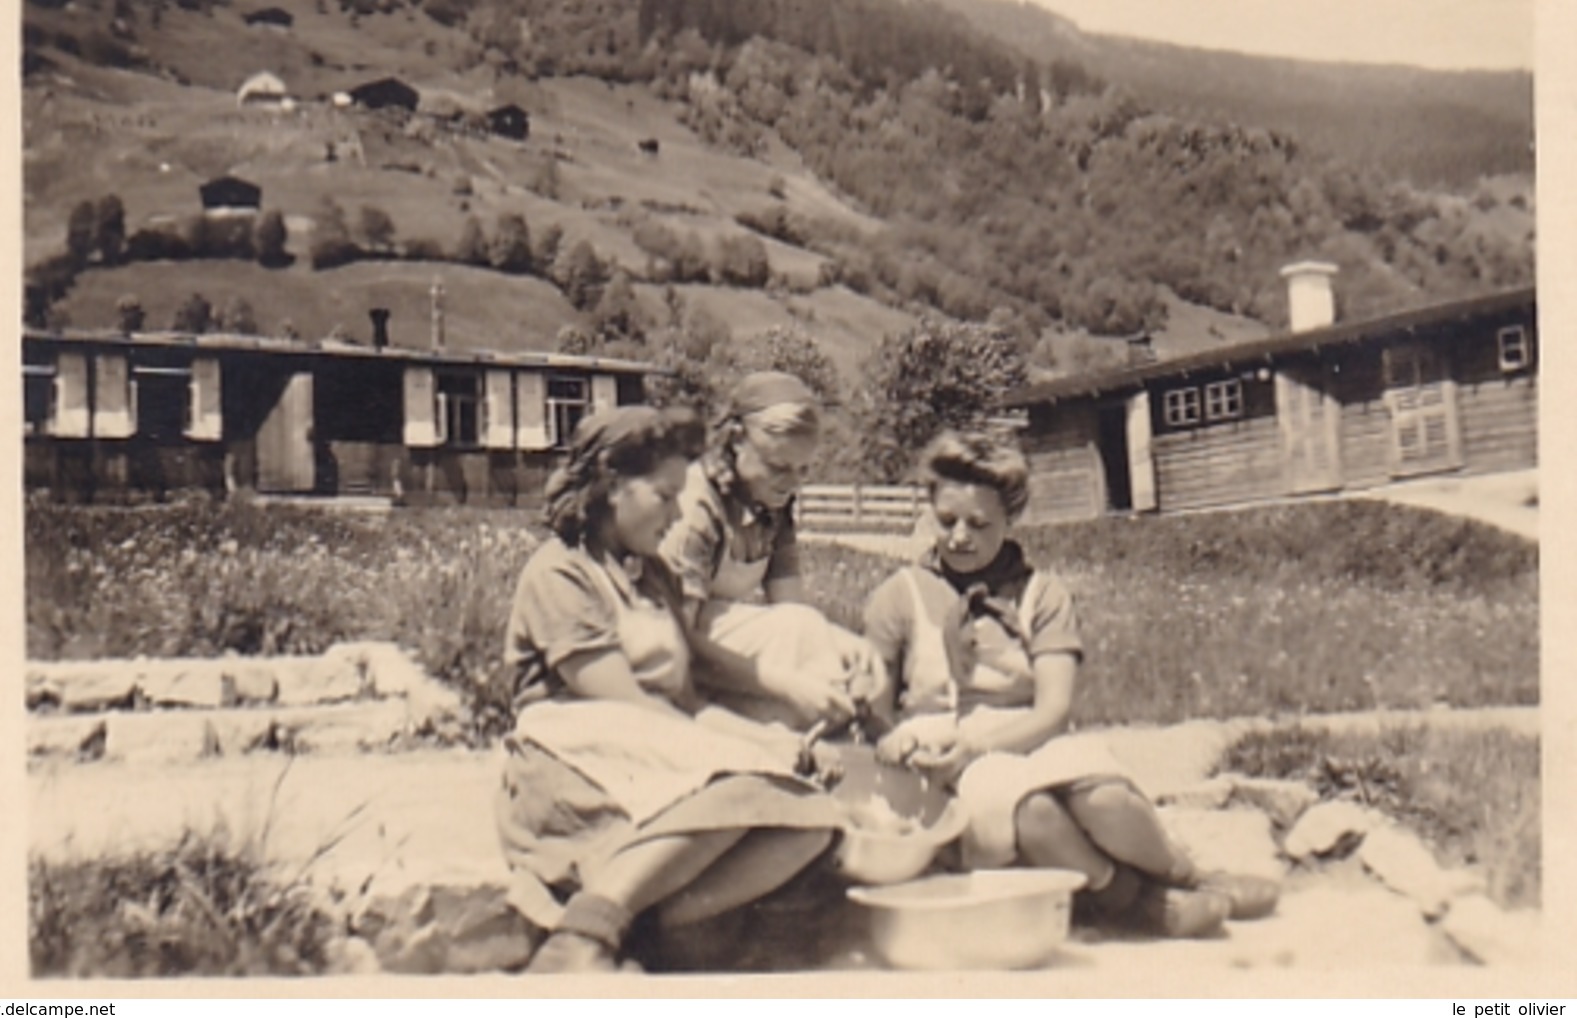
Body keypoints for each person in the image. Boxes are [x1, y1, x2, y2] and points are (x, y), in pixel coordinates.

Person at [861, 429, 1280, 939]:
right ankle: (1131, 901)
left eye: (979, 523)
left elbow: (1052, 708)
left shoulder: (1042, 593)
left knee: (1106, 799)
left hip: (1027, 735)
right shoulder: (899, 595)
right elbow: (875, 706)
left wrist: (979, 745)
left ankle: (1188, 875)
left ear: (1010, 518)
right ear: (929, 509)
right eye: (947, 520)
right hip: (941, 749)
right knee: (1032, 812)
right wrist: (893, 735)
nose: (959, 537)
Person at [496, 405, 843, 974]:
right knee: (747, 785)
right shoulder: (560, 572)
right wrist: (750, 755)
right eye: (665, 494)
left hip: (649, 751)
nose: (679, 510)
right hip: (575, 763)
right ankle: (583, 936)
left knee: (811, 817)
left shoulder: (650, 573)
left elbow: (687, 704)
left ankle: (635, 932)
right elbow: (619, 700)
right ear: (611, 486)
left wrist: (779, 745)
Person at [660, 371, 884, 733]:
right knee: (799, 698)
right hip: (679, 660)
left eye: (803, 469)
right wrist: (785, 684)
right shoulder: (696, 508)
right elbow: (675, 647)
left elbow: (790, 606)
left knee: (829, 666)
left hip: (728, 652)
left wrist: (848, 644)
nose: (792, 482)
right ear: (736, 440)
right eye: (778, 467)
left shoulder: (771, 503)